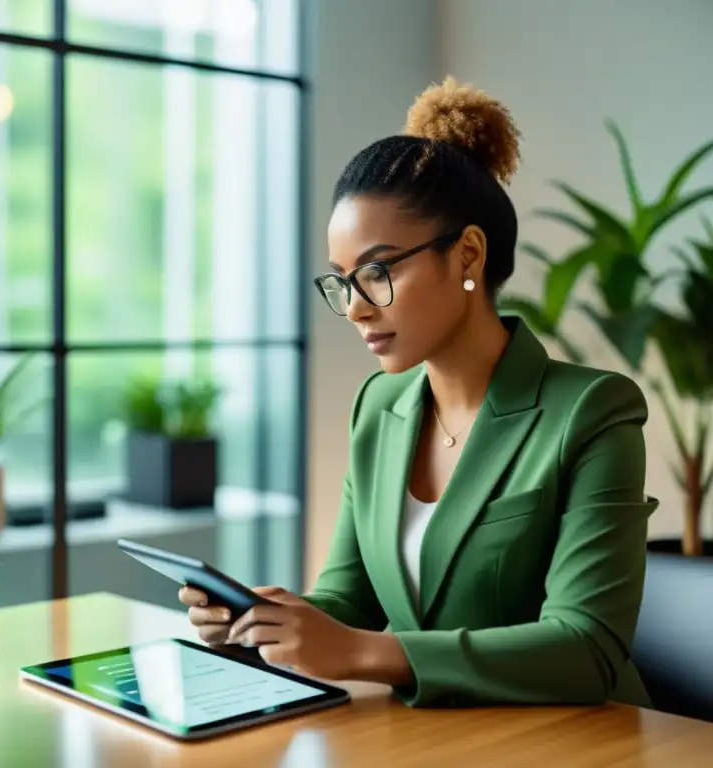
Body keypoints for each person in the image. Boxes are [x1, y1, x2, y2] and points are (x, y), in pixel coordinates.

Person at [178, 76, 659, 708]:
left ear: (467, 255)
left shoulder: (591, 412)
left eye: (377, 272)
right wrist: (269, 622)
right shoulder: (378, 407)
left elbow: (586, 648)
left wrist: (358, 652)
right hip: (427, 738)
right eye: (342, 281)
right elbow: (348, 599)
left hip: (577, 744)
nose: (354, 308)